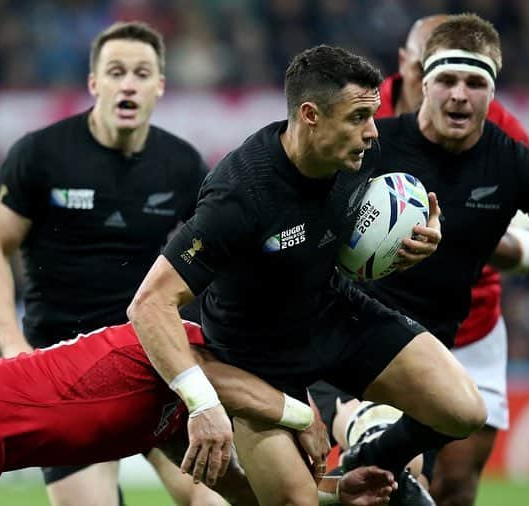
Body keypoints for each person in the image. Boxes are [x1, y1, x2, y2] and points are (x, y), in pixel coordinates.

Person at [127, 44, 488, 506]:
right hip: (255, 358)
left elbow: (352, 242)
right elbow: (149, 303)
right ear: (311, 115)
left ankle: (365, 458)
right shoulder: (239, 195)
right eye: (358, 117)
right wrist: (202, 403)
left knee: (464, 411)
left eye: (373, 115)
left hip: (334, 316)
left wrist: (415, 242)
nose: (372, 132)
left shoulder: (360, 156)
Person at [333, 12, 529, 499]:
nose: (459, 95)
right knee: (393, 486)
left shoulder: (509, 158)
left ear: (492, 90)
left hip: (453, 342)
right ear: (422, 82)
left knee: (455, 473)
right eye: (446, 79)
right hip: (361, 335)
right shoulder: (374, 142)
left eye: (475, 82)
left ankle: (373, 458)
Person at [0, 21, 215, 505]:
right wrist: (11, 341)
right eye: (116, 71)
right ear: (94, 83)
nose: (128, 83)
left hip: (151, 357)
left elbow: (217, 257)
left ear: (159, 86)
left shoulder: (182, 164)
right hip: (66, 366)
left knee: (212, 499)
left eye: (141, 73)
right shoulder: (40, 155)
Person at [311, 14, 529, 506]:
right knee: (377, 466)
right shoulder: (364, 117)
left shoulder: (498, 126)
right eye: (432, 71)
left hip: (469, 324)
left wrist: (483, 241)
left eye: (468, 77)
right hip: (369, 314)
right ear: (407, 63)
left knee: (454, 483)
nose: (452, 90)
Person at [0, 321, 399, 506]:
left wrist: (330, 494)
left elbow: (237, 488)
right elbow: (226, 380)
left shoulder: (175, 407)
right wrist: (305, 416)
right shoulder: (177, 347)